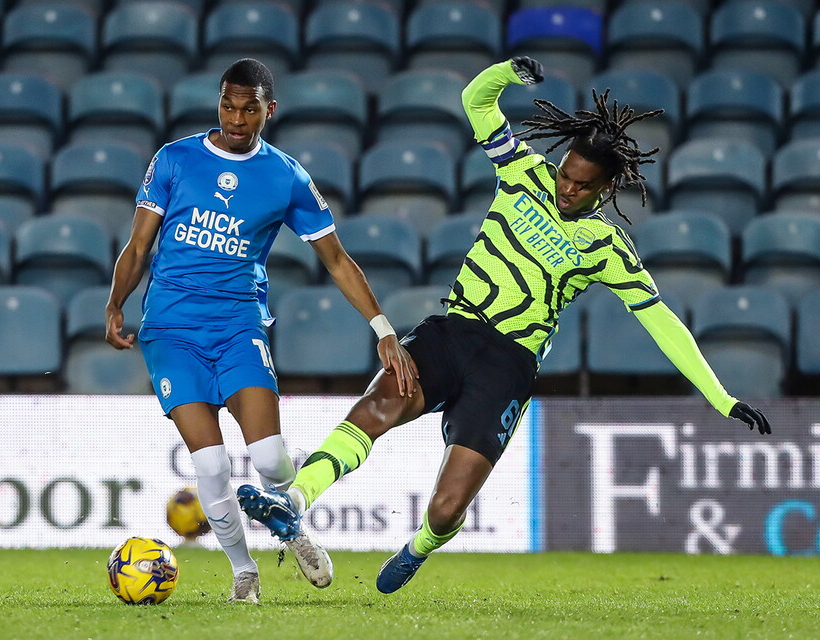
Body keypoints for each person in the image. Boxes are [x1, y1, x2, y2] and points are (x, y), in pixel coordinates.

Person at [236, 57, 772, 594]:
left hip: (507, 365)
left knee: (446, 509)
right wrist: (508, 73)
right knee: (376, 408)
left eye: (582, 186)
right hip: (453, 330)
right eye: (565, 175)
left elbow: (663, 324)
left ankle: (421, 545)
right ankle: (293, 501)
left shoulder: (608, 248)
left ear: (606, 188)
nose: (567, 189)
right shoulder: (523, 170)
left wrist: (721, 397)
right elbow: (476, 101)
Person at [104, 58, 417, 603]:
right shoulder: (174, 159)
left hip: (238, 325)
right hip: (171, 330)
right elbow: (138, 246)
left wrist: (383, 326)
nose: (236, 118)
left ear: (269, 110)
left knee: (270, 457)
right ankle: (243, 572)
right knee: (210, 463)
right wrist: (115, 304)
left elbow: (337, 260)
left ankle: (292, 525)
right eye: (227, 106)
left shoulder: (285, 176)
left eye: (249, 109)